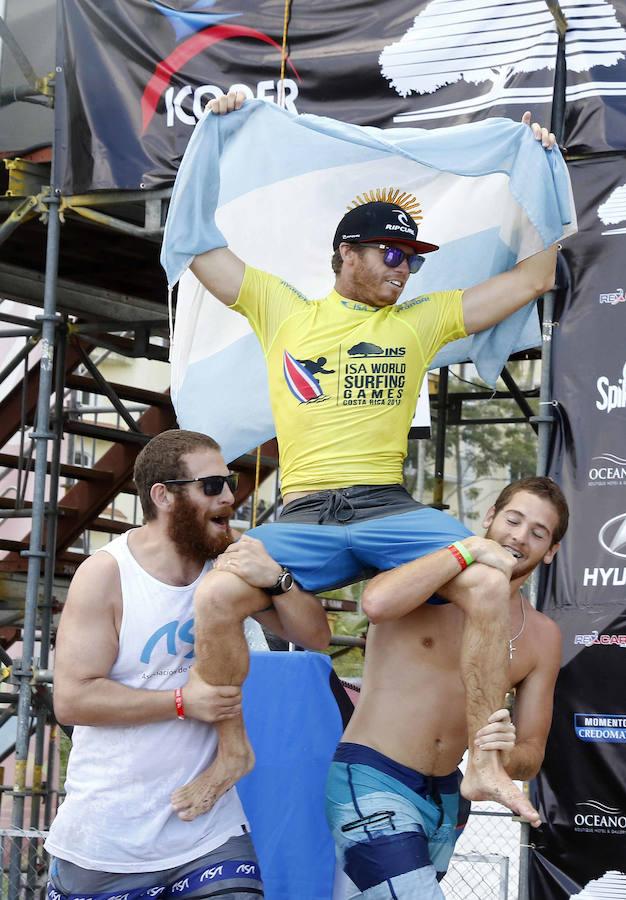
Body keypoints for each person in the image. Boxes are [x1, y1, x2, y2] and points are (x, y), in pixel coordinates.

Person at [167, 90, 559, 825]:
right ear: (344, 253)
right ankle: (230, 750)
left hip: (388, 507)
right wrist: (212, 131)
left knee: (490, 577)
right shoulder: (282, 308)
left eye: (412, 258)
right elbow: (193, 241)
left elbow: (534, 279)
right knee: (216, 596)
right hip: (306, 514)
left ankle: (480, 758)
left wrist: (544, 166)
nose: (402, 269)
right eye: (390, 253)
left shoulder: (422, 318)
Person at [45, 429, 330, 900]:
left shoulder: (227, 568)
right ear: (163, 497)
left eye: (231, 481)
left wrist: (278, 580)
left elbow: (315, 637)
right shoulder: (107, 574)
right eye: (212, 485)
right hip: (111, 837)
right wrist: (182, 702)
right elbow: (73, 699)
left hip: (210, 832)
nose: (231, 497)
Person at [325, 476, 567, 898]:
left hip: (449, 798)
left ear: (551, 552)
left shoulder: (543, 636)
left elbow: (532, 752)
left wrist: (504, 753)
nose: (520, 537)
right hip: (373, 775)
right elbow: (376, 603)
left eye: (538, 533)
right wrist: (467, 550)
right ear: (489, 517)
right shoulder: (433, 573)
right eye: (513, 519)